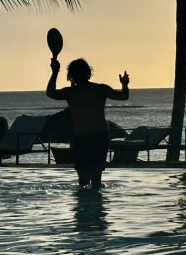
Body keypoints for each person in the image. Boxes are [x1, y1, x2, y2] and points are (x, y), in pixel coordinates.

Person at [47, 57, 129, 189]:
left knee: (95, 179)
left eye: (81, 71)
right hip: (81, 138)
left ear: (87, 73)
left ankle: (94, 200)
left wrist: (124, 85)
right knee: (83, 179)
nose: (79, 74)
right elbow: (50, 93)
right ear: (72, 75)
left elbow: (123, 96)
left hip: (99, 136)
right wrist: (55, 72)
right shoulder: (71, 92)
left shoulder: (99, 89)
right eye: (76, 72)